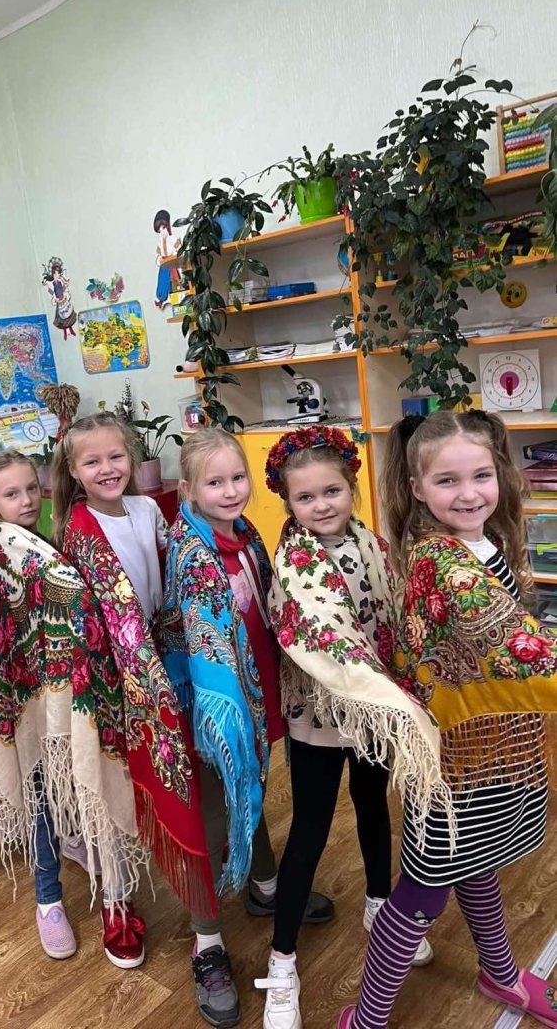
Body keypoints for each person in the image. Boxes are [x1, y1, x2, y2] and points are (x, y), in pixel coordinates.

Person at [339, 410, 557, 1029]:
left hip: (495, 743)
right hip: (453, 760)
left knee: (474, 859)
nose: (468, 494)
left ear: (501, 474)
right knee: (423, 890)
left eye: (481, 475)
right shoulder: (445, 561)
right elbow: (520, 646)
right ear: (417, 488)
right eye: (447, 481)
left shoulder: (485, 543)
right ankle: (367, 1019)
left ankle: (500, 973)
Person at [257, 426, 448, 1029]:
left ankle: (378, 903)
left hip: (374, 711)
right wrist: (394, 703)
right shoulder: (294, 565)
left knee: (372, 806)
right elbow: (323, 639)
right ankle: (282, 963)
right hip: (322, 715)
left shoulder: (373, 545)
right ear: (288, 502)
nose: (321, 506)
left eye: (331, 491)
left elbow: (394, 614)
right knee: (310, 829)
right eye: (305, 497)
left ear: (351, 488)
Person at [160, 427, 334, 1028]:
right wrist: (226, 715)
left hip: (256, 693)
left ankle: (264, 884)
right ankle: (206, 941)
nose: (231, 490)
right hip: (214, 709)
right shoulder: (192, 553)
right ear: (188, 489)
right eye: (215, 482)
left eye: (237, 478)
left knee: (251, 786)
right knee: (213, 817)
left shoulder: (244, 533)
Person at [52, 412, 218, 963]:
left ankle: (202, 869)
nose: (107, 468)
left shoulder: (146, 509)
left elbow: (170, 574)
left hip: (159, 661)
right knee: (110, 790)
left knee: (167, 778)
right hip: (106, 679)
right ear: (73, 471)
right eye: (92, 461)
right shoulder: (75, 532)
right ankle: (116, 901)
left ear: (133, 456)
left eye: (116, 456)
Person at [0, 450, 146, 964]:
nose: (27, 500)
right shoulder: (14, 549)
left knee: (69, 783)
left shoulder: (43, 540)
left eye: (32, 488)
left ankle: (94, 869)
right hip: (33, 696)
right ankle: (47, 899)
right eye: (12, 494)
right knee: (42, 793)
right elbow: (72, 597)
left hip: (59, 691)